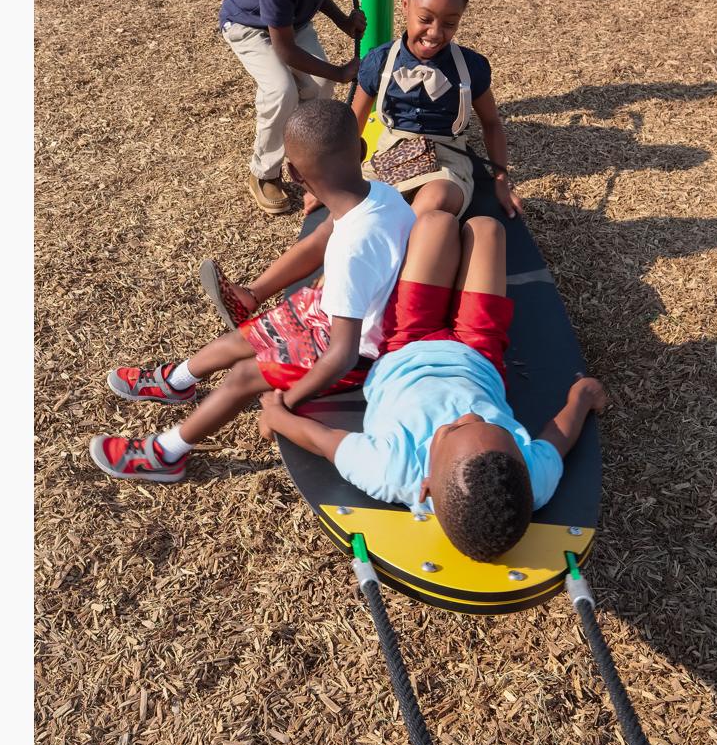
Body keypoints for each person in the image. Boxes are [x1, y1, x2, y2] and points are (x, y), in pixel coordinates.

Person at [89, 100, 415, 482]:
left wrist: (285, 404)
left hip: (357, 347)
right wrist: (255, 292)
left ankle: (166, 453)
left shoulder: (352, 250)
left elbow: (341, 354)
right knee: (243, 338)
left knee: (243, 375)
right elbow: (316, 244)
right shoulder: (381, 194)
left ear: (294, 173)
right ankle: (176, 382)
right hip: (336, 310)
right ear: (361, 149)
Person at [258, 210, 609, 562]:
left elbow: (323, 441)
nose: (470, 413)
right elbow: (556, 439)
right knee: (487, 229)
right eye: (488, 422)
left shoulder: (391, 469)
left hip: (406, 342)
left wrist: (277, 416)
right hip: (479, 350)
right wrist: (580, 399)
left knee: (435, 224)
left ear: (426, 486)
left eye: (454, 428)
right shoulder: (530, 481)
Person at [351, 0, 520, 220]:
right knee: (370, 210)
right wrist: (339, 175)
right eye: (425, 18)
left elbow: (492, 123)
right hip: (392, 155)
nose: (435, 32)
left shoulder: (470, 68)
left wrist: (502, 180)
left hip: (447, 161)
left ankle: (408, 250)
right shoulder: (379, 62)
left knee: (435, 201)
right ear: (405, 5)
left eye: (450, 23)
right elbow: (353, 124)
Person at [219, 0, 367, 215]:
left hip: (291, 21)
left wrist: (343, 21)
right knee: (280, 91)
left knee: (320, 88)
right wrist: (340, 72)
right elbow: (284, 49)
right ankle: (264, 173)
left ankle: (308, 157)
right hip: (248, 25)